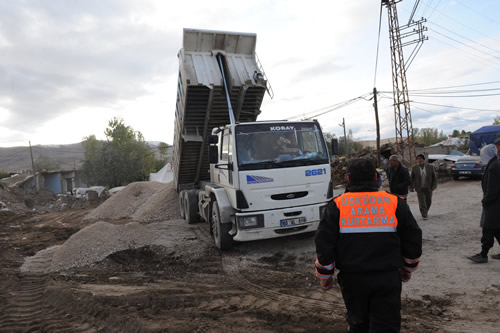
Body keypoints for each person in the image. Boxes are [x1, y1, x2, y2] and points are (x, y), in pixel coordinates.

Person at [315, 158, 422, 332]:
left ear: (349, 179)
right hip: (387, 278)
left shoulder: (337, 206)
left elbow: (324, 243)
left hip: (353, 280)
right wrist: (408, 268)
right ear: (375, 177)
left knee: (358, 324)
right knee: (386, 326)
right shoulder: (395, 203)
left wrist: (325, 275)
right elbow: (412, 238)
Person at [467, 138, 500, 263]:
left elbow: (493, 188)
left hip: (493, 205)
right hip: (495, 204)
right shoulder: (493, 164)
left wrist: (486, 201)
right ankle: (483, 253)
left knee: (488, 228)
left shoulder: (494, 167)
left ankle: (483, 254)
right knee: (496, 228)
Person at [410, 154, 437, 220]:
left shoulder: (430, 167)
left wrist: (434, 185)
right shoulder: (414, 168)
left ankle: (425, 211)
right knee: (422, 202)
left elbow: (434, 177)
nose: (419, 160)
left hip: (429, 187)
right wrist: (411, 187)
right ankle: (424, 215)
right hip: (419, 187)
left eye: (420, 159)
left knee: (428, 201)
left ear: (424, 160)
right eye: (418, 159)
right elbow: (412, 178)